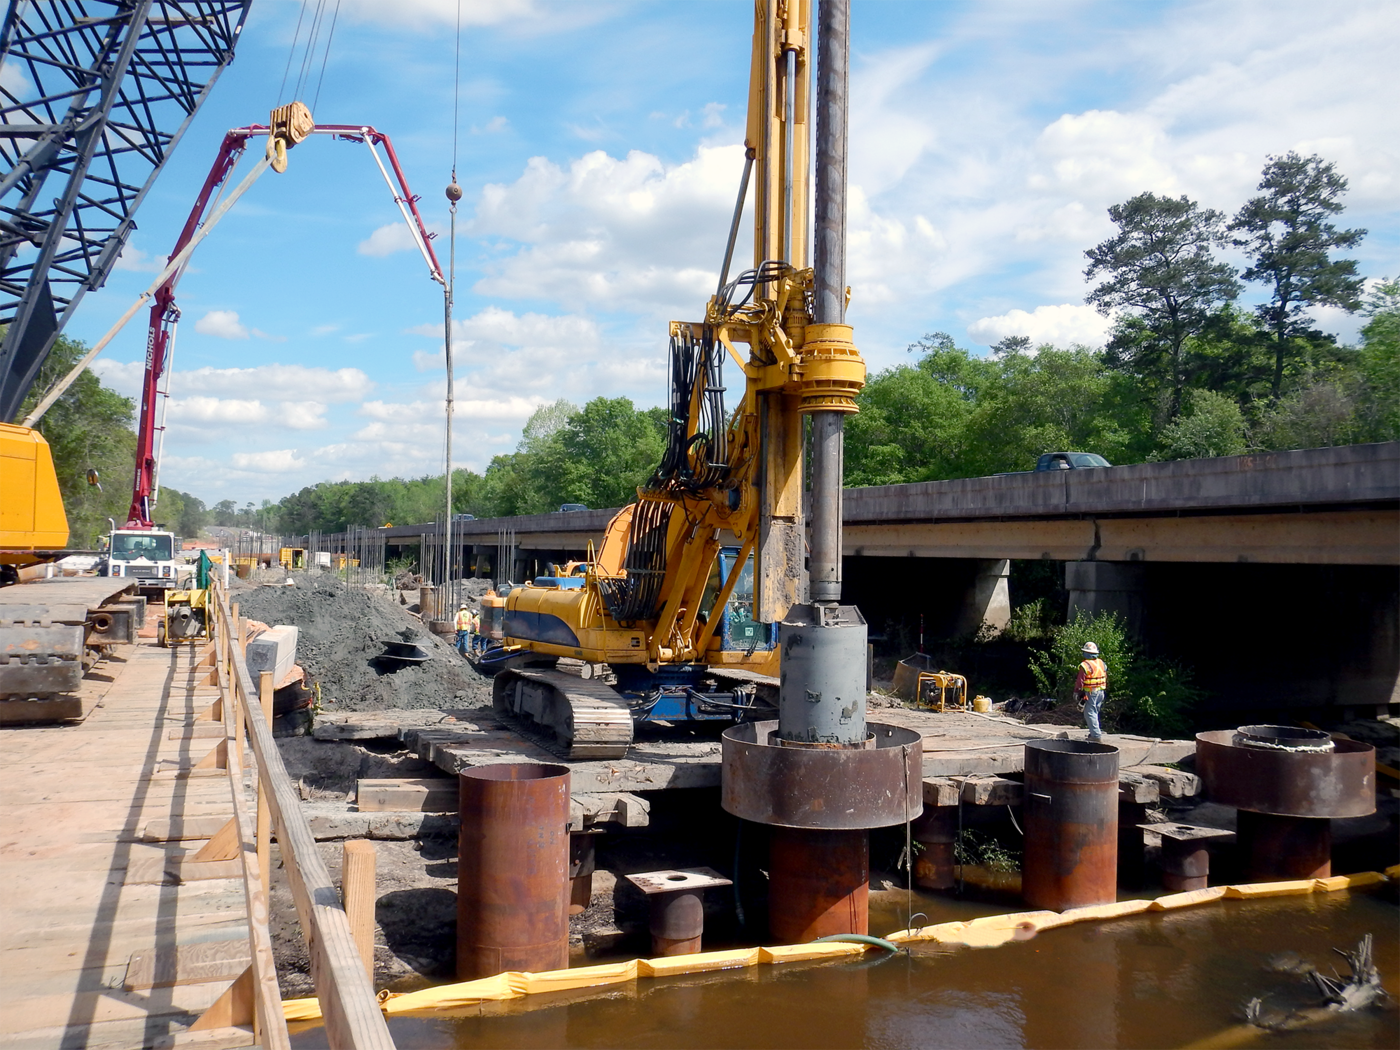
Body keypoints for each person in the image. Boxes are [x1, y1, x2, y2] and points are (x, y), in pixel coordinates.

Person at [1075, 641, 1108, 742]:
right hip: (1101, 691)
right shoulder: (1101, 663)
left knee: (1089, 713)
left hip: (1091, 692)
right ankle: (1094, 732)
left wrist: (1077, 692)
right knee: (1095, 712)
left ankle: (1096, 736)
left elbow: (1080, 680)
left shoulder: (1085, 665)